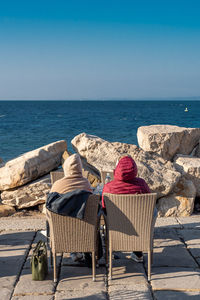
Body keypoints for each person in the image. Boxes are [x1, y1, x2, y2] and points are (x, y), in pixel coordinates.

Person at [102, 155, 152, 263]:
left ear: (117, 169)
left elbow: (104, 207)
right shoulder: (142, 184)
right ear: (134, 169)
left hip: (116, 228)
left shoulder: (109, 187)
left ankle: (109, 249)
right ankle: (138, 253)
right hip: (139, 227)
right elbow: (150, 204)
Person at [50, 153, 93, 263]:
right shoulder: (86, 183)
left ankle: (74, 251)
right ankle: (83, 249)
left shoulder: (57, 185)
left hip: (62, 231)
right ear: (80, 168)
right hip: (84, 230)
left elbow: (49, 208)